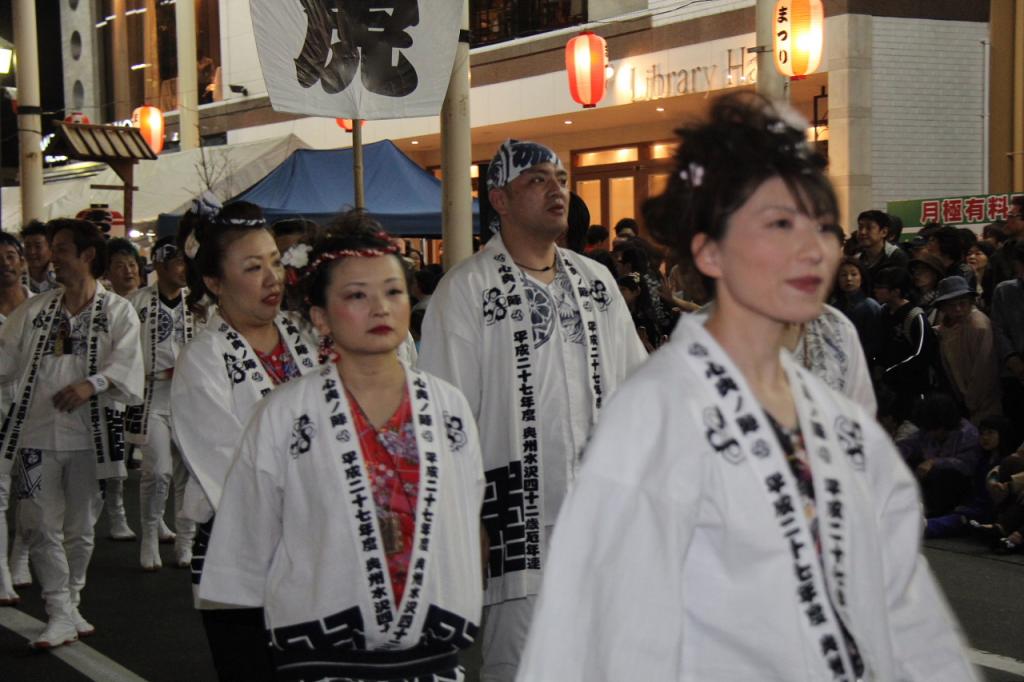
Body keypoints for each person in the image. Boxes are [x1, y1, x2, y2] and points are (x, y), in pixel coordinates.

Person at [516, 92, 975, 682]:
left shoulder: (836, 353)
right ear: (711, 251)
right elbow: (596, 622)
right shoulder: (657, 409)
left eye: (820, 226)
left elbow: (896, 588)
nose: (808, 249)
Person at [200, 218, 486, 680]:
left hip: (430, 653)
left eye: (393, 292)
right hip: (321, 657)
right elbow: (249, 538)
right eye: (357, 295)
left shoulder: (447, 405)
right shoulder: (286, 413)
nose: (380, 308)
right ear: (320, 317)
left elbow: (466, 518)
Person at [419, 139, 646, 681]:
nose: (557, 190)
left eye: (561, 179)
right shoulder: (467, 290)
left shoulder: (596, 283)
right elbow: (445, 417)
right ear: (499, 199)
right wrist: (463, 519)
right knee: (523, 664)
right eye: (538, 180)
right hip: (515, 521)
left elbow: (636, 390)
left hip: (601, 515)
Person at [170, 201, 319, 680]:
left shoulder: (307, 336)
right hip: (244, 551)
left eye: (276, 261)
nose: (273, 278)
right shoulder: (203, 357)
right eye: (253, 267)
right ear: (215, 282)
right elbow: (227, 464)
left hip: (320, 543)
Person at [0, 218, 144, 649]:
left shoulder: (117, 310)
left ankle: (73, 598)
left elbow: (127, 363)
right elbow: (5, 361)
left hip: (92, 436)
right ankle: (59, 609)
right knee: (37, 522)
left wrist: (93, 384)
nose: (51, 257)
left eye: (61, 249)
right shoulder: (35, 310)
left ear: (87, 256)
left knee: (81, 527)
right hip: (34, 434)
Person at [125, 237, 197, 571]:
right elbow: (122, 350)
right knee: (158, 471)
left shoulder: (198, 303)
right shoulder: (135, 303)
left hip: (189, 398)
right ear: (160, 264)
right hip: (151, 395)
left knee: (189, 474)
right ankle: (150, 535)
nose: (184, 270)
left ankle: (186, 540)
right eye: (179, 263)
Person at [101, 237, 145, 541]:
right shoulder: (105, 305)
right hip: (113, 388)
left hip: (148, 389)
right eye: (120, 266)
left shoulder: (154, 299)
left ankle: (154, 519)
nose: (128, 271)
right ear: (107, 273)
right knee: (114, 458)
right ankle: (116, 513)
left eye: (131, 264)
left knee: (156, 464)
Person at [0, 232, 31, 605]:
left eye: (10, 255)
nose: (4, 264)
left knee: (31, 494)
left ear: (22, 261)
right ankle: (1, 574)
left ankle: (20, 556)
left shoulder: (42, 307)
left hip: (35, 417)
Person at [873, 266, 945, 415]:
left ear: (896, 291)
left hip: (913, 385)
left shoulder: (915, 316)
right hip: (889, 385)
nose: (876, 291)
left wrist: (892, 372)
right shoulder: (884, 312)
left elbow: (922, 354)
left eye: (881, 287)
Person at [897, 393, 981, 518]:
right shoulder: (926, 432)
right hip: (927, 483)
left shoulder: (968, 434)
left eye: (935, 430)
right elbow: (908, 445)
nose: (931, 434)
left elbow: (967, 465)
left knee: (941, 474)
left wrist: (934, 462)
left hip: (957, 485)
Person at [933, 276, 1001, 424]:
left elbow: (984, 370)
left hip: (982, 401)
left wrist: (971, 400)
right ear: (943, 308)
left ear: (971, 302)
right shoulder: (946, 327)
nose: (958, 309)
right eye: (951, 305)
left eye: (962, 303)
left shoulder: (978, 326)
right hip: (962, 397)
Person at [991, 239, 1024, 446]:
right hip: (1013, 371)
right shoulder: (1004, 291)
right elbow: (998, 329)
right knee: (1016, 428)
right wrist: (1013, 360)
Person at [831, 257, 884, 363]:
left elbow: (876, 342)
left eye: (854, 274)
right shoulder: (835, 307)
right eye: (843, 275)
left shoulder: (870, 306)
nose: (849, 279)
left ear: (861, 278)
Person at [855, 209, 908, 289]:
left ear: (884, 232)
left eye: (869, 228)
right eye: (860, 227)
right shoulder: (857, 259)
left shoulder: (896, 257)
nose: (862, 232)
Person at [20, 220, 59, 293]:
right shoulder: (17, 276)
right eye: (27, 246)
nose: (32, 252)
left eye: (38, 246)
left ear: (50, 248)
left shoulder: (60, 274)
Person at [908, 252, 945, 324]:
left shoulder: (941, 301)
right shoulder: (909, 296)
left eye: (923, 270)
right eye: (916, 269)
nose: (917, 273)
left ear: (935, 275)